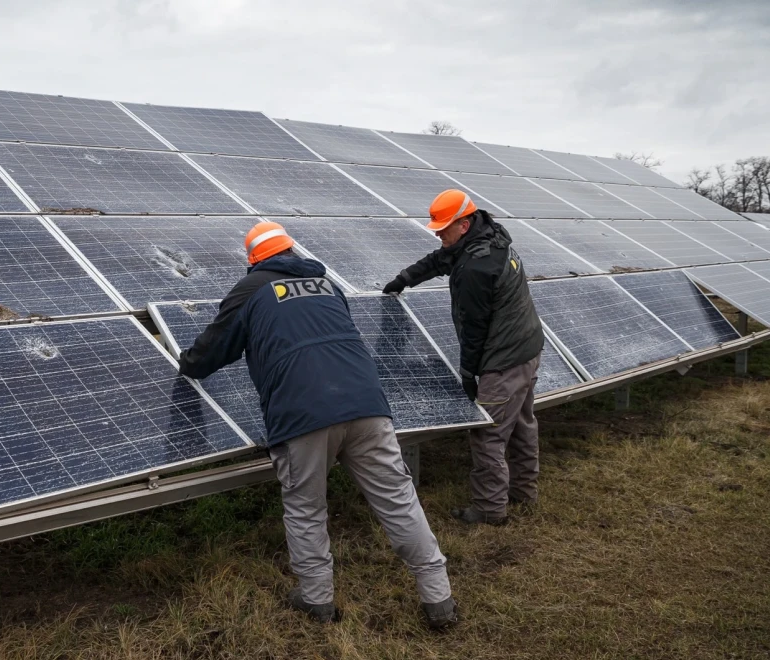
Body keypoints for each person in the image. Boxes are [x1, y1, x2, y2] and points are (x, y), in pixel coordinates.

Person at [178, 221, 458, 629]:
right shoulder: (328, 285)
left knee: (307, 508)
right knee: (399, 500)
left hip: (303, 414)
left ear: (254, 259)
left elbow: (211, 352)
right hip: (366, 404)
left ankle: (317, 600)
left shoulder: (251, 289)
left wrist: (187, 363)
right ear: (291, 251)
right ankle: (440, 599)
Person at [382, 189, 545, 526]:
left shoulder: (476, 268)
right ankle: (523, 492)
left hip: (504, 359)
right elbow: (441, 259)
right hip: (528, 348)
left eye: (444, 228)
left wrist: (469, 373)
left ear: (465, 224)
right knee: (522, 424)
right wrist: (405, 279)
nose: (438, 233)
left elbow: (474, 329)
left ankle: (489, 509)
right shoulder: (491, 238)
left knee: (488, 433)